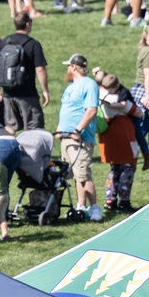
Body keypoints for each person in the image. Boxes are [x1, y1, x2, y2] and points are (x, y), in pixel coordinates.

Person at [52, 54, 103, 222]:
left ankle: (94, 208)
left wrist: (77, 130)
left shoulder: (89, 85)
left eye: (68, 66)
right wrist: (59, 129)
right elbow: (66, 109)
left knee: (83, 174)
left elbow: (91, 110)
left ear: (73, 67)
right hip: (66, 137)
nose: (67, 69)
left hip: (79, 138)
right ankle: (81, 206)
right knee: (75, 174)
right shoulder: (70, 87)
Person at [0, 12, 48, 132]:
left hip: (8, 93)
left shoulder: (5, 41)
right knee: (33, 127)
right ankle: (31, 151)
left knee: (11, 127)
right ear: (27, 24)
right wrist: (45, 90)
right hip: (27, 94)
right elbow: (40, 69)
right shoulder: (33, 44)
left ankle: (3, 149)